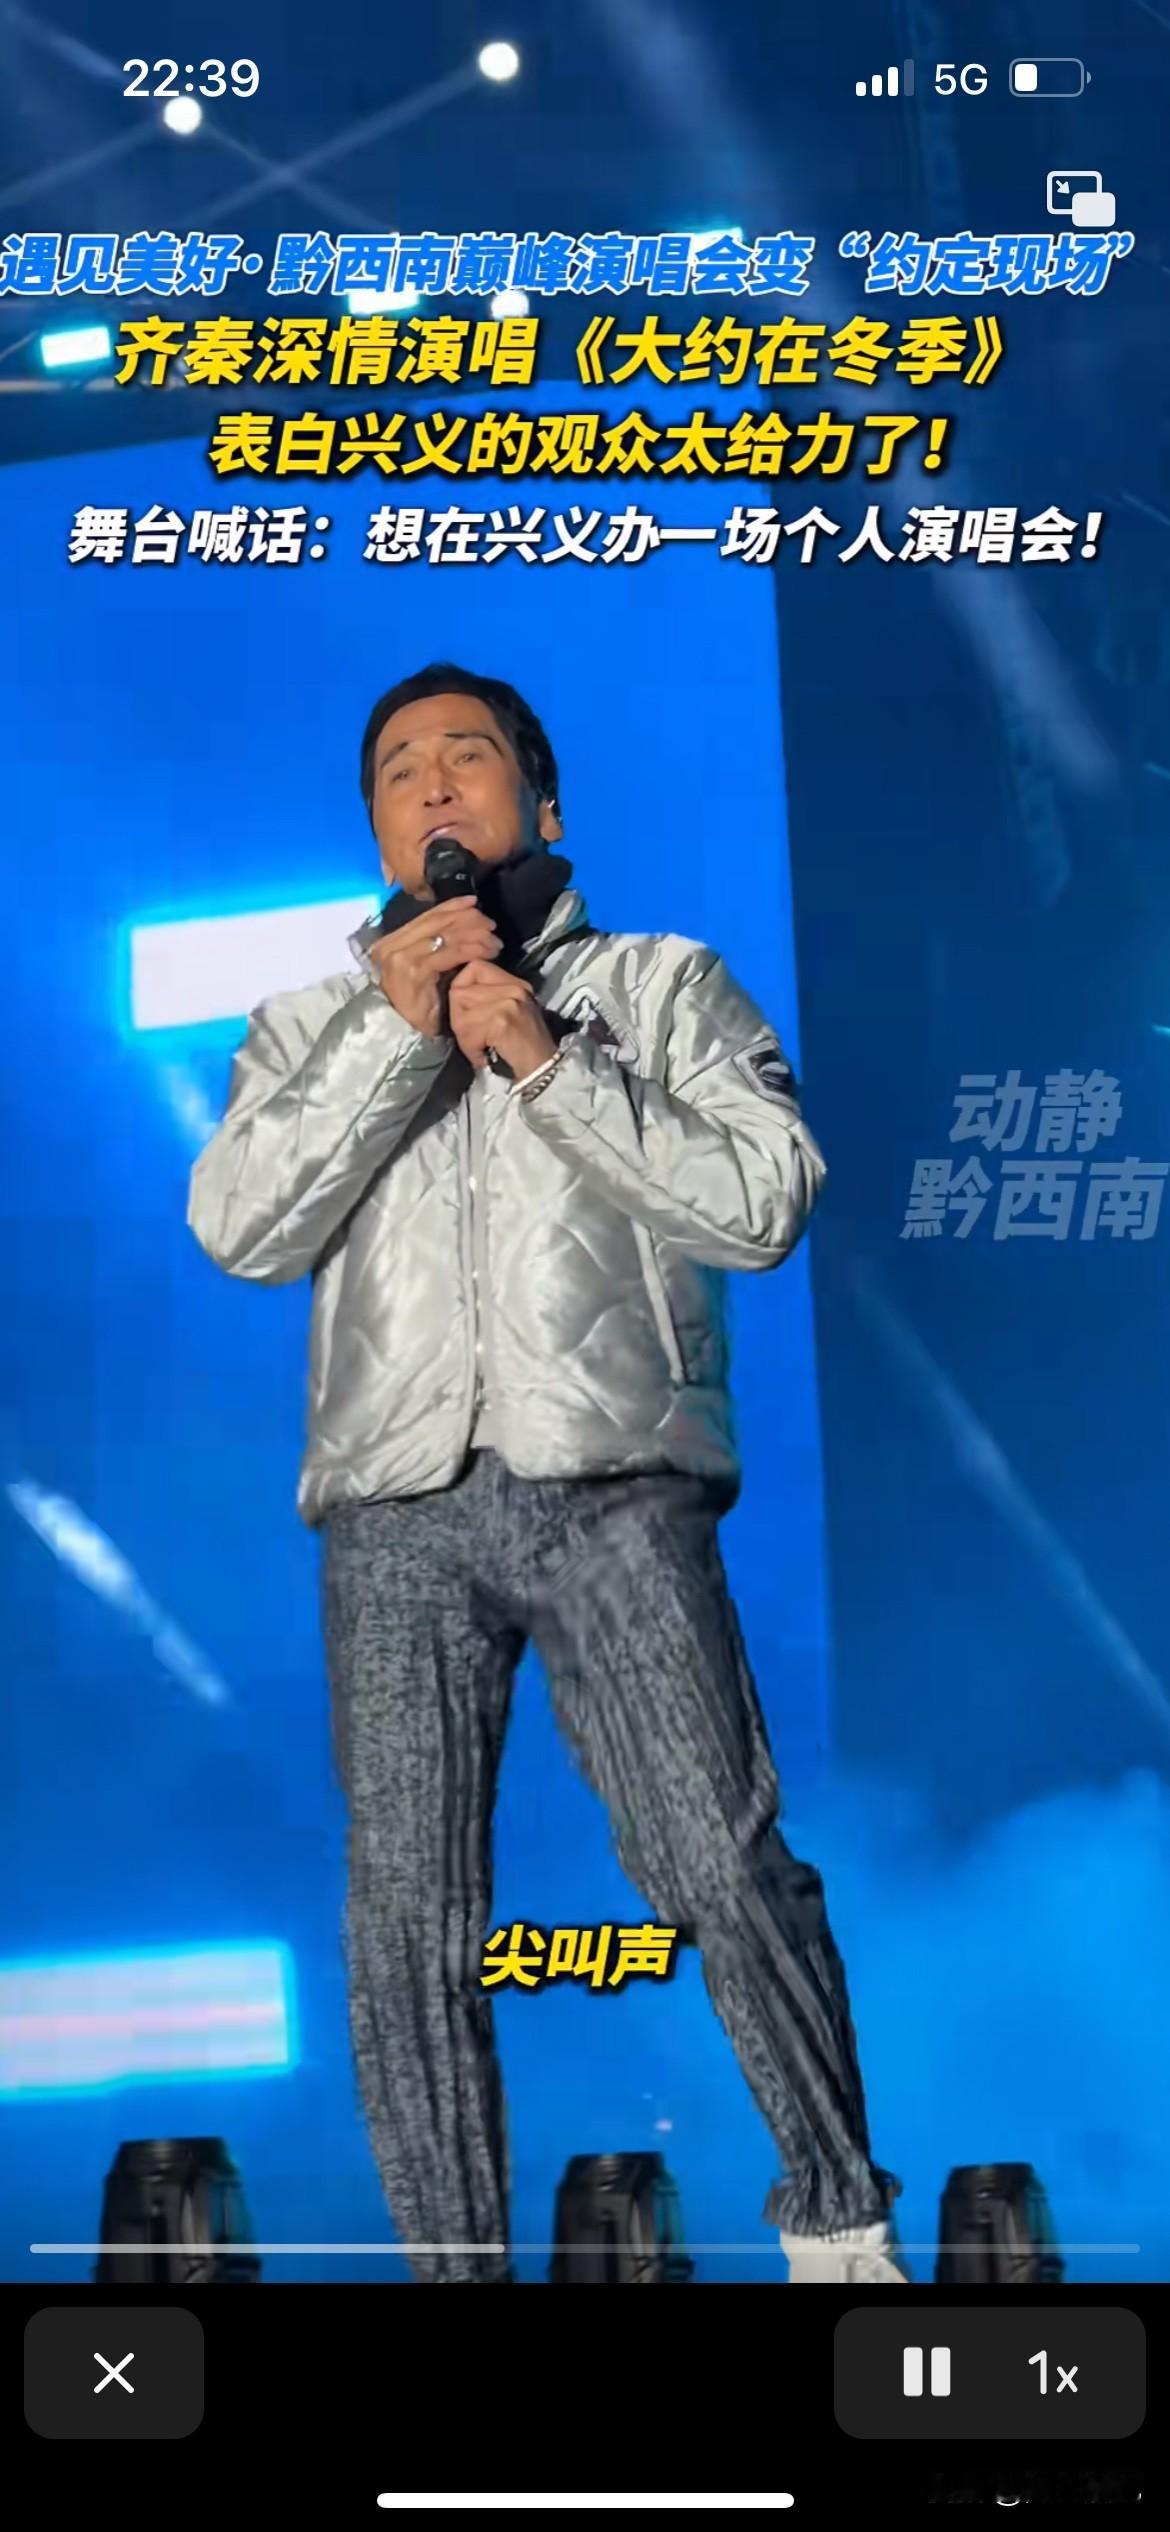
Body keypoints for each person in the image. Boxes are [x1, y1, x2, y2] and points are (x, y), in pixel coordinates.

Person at [188, 661, 907, 2286]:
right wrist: (396, 1036)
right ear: (377, 828)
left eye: (468, 756)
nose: (434, 785)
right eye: (399, 770)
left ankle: (838, 2229)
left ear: (542, 799)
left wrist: (548, 1058)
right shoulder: (306, 1028)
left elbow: (761, 1203)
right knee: (405, 1925)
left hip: (610, 1488)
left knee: (716, 1857)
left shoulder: (660, 983)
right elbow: (242, 1229)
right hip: (392, 1512)